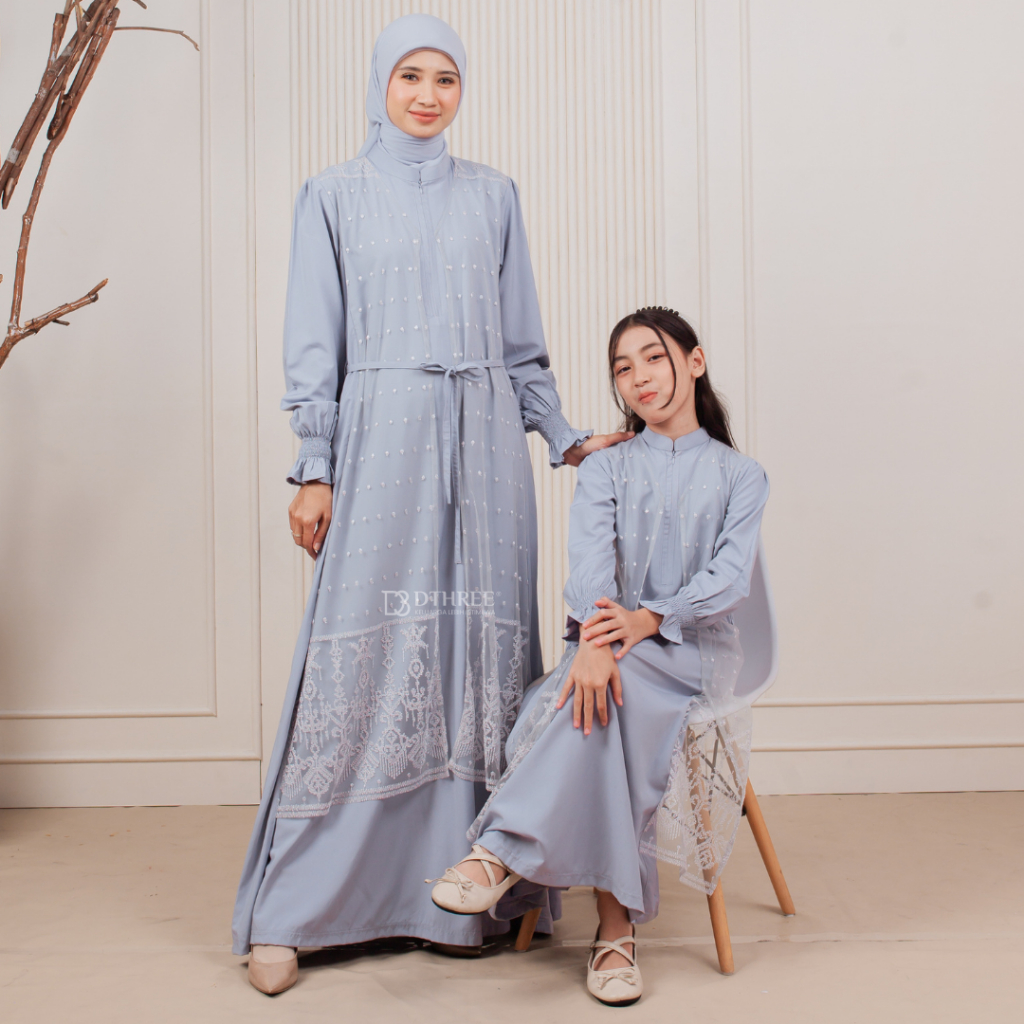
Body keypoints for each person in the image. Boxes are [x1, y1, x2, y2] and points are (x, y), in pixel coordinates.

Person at [231, 13, 630, 995]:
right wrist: (314, 466)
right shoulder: (331, 195)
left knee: (476, 654)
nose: (426, 94)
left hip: (487, 447)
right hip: (384, 435)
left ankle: (470, 899)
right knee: (369, 656)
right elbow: (314, 338)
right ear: (379, 84)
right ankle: (300, 904)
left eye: (445, 79)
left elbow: (522, 341)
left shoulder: (493, 194)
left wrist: (564, 434)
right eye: (410, 75)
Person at [431, 307, 770, 1006]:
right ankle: (615, 928)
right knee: (610, 694)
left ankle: (502, 849)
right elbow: (587, 567)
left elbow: (730, 579)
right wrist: (596, 639)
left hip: (694, 653)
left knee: (608, 683)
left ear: (694, 362)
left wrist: (647, 620)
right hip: (610, 649)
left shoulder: (742, 475)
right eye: (623, 367)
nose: (639, 377)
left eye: (654, 357)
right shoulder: (607, 467)